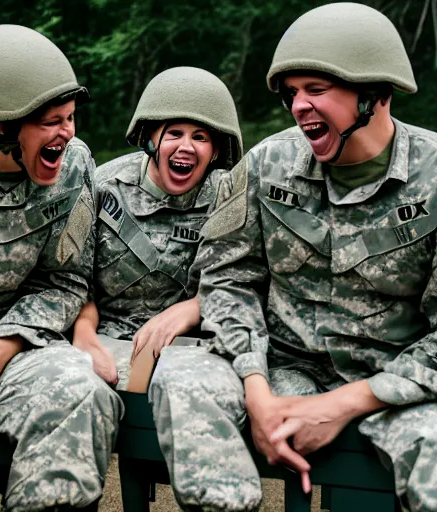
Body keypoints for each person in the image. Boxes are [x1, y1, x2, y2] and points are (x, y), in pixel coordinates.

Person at [186, 3, 437, 511]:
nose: (298, 106)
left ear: (374, 95)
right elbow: (224, 279)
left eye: (316, 90)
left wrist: (347, 403)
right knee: (184, 381)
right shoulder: (266, 164)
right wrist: (255, 387)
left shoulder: (433, 177)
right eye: (292, 93)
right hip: (281, 366)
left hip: (393, 380)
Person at [0, 24, 121, 511]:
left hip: (15, 355)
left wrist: (2, 348)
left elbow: (65, 278)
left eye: (71, 118)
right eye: (51, 122)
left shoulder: (74, 166)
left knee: (81, 392)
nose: (67, 134)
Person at [72, 67, 245, 508]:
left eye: (201, 137)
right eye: (174, 133)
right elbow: (74, 280)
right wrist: (85, 338)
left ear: (217, 149)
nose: (186, 147)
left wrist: (194, 307)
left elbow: (244, 279)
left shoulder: (231, 196)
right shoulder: (102, 188)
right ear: (150, 137)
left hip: (192, 350)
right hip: (109, 338)